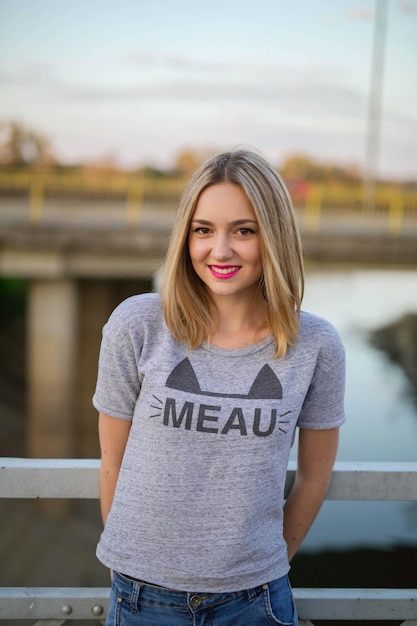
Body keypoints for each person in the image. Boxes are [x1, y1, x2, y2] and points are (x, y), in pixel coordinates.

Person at [93, 149, 346, 626]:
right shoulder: (138, 324)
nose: (221, 250)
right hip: (142, 598)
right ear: (185, 236)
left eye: (244, 231)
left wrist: (268, 564)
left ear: (273, 238)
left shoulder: (316, 346)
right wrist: (130, 563)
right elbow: (114, 460)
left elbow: (314, 478)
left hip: (255, 603)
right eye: (203, 230)